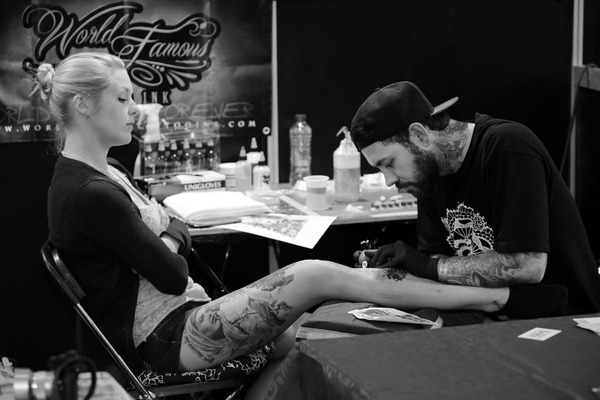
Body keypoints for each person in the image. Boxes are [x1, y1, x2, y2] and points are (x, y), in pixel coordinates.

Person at [33, 52, 566, 389]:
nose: (134, 108)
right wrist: (172, 232)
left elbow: (174, 243)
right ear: (83, 105)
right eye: (123, 97)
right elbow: (173, 271)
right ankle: (492, 298)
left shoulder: (107, 173)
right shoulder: (88, 190)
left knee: (322, 335)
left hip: (187, 319)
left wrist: (171, 233)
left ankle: (486, 303)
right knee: (315, 275)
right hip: (165, 338)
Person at [350, 81, 600, 315]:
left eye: (389, 163)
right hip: (495, 313)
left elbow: (528, 266)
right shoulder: (428, 174)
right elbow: (438, 262)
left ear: (419, 136)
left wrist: (426, 266)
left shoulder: (507, 147)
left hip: (564, 317)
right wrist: (404, 267)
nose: (389, 180)